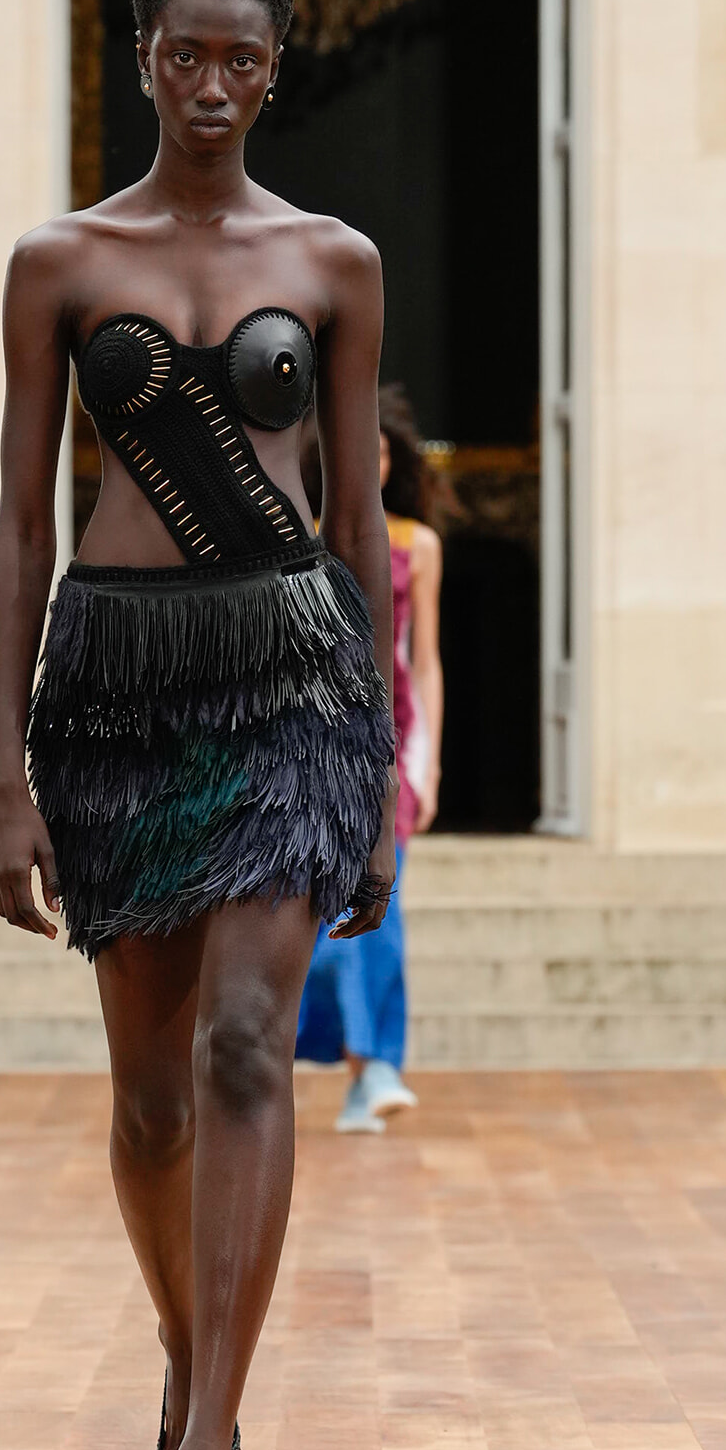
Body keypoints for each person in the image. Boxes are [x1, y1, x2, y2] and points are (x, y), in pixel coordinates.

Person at [0, 0, 396, 1450]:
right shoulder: (61, 260)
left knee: (245, 1045)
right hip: (113, 686)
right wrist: (4, 769)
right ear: (144, 57)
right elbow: (21, 516)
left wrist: (376, 756)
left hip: (287, 678)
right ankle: (186, 1342)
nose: (213, 84)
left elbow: (359, 519)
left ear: (274, 71)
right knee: (150, 1101)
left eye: (243, 60)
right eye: (185, 56)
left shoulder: (339, 261)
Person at [295, 384, 444, 1130]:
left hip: (393, 745)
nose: (372, 462)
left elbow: (427, 658)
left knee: (385, 909)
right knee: (322, 927)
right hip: (315, 744)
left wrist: (430, 762)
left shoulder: (419, 544)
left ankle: (376, 1065)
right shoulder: (302, 534)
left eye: (382, 450)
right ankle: (337, 1056)